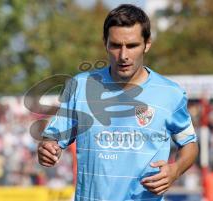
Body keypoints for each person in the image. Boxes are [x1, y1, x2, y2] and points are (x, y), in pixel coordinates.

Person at [37, 4, 198, 201]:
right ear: (105, 43)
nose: (123, 56)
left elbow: (189, 144)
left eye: (132, 46)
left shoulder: (170, 93)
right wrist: (47, 149)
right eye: (115, 45)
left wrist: (175, 170)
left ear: (147, 44)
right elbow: (52, 140)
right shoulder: (80, 86)